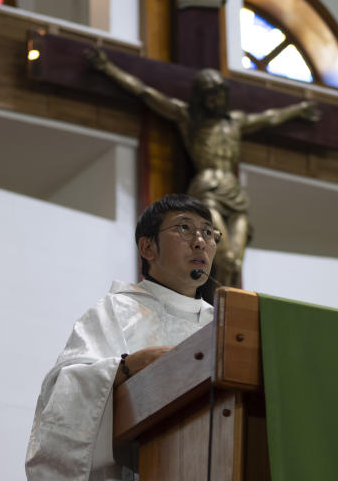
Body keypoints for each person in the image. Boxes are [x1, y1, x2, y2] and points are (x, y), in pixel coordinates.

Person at [25, 194, 221, 481]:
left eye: (208, 232)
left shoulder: (223, 325)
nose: (200, 241)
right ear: (147, 247)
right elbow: (60, 394)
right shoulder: (116, 311)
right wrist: (125, 368)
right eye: (184, 228)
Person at [87, 47, 319, 288]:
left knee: (235, 263)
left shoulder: (235, 122)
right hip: (207, 190)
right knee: (225, 256)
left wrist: (299, 110)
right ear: (200, 97)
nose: (215, 100)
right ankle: (220, 308)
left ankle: (231, 306)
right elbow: (145, 93)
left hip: (235, 193)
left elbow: (270, 117)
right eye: (209, 95)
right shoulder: (189, 119)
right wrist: (108, 69)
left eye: (219, 94)